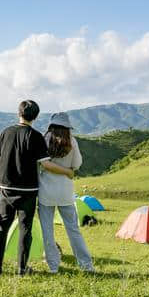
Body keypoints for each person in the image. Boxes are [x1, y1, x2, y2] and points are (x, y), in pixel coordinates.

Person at [0, 100, 73, 276]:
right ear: (36, 116)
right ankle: (22, 269)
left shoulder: (6, 132)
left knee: (1, 228)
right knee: (25, 229)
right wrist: (67, 172)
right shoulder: (36, 136)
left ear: (19, 113)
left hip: (6, 189)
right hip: (28, 191)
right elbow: (46, 165)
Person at [38, 113, 94, 274]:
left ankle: (53, 266)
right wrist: (67, 171)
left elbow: (41, 164)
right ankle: (86, 265)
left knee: (47, 231)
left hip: (46, 191)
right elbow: (77, 164)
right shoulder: (72, 141)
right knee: (73, 230)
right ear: (67, 126)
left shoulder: (44, 139)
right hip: (65, 192)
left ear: (51, 125)